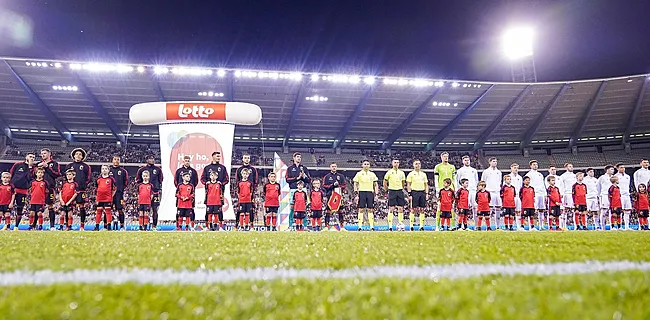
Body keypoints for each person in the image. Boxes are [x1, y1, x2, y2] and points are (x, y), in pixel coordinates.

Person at [65, 148, 91, 231]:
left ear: (82, 156)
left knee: (81, 207)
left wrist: (83, 185)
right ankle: (68, 226)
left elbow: (89, 178)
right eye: (76, 154)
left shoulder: (86, 166)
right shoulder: (69, 166)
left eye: (80, 154)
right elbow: (66, 177)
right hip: (70, 190)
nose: (78, 155)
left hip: (81, 189)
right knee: (68, 207)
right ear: (73, 156)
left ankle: (82, 226)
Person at [136, 155, 163, 230]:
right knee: (143, 211)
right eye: (150, 159)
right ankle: (143, 226)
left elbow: (161, 179)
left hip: (155, 192)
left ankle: (154, 226)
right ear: (147, 160)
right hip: (145, 192)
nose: (152, 160)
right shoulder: (141, 170)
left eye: (153, 159)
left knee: (155, 209)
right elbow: (138, 180)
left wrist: (156, 187)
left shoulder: (158, 169)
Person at [285, 152, 311, 230]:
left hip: (303, 190)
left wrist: (304, 176)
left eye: (300, 157)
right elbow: (287, 179)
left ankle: (305, 226)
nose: (299, 158)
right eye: (297, 157)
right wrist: (297, 178)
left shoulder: (304, 168)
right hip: (293, 190)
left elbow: (309, 180)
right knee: (292, 208)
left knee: (303, 208)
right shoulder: (289, 168)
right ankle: (290, 226)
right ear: (294, 158)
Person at [37, 148, 60, 230]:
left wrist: (47, 167)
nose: (43, 155)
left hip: (50, 187)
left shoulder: (54, 164)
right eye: (42, 153)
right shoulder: (38, 164)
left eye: (45, 153)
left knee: (50, 206)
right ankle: (37, 226)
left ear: (49, 154)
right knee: (38, 206)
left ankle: (52, 226)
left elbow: (57, 174)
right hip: (39, 188)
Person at [10, 152, 35, 229]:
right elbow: (11, 174)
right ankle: (6, 225)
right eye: (30, 156)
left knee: (20, 208)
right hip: (13, 189)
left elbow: (31, 178)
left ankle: (16, 226)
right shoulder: (18, 164)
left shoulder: (34, 168)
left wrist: (30, 167)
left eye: (33, 157)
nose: (32, 158)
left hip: (23, 191)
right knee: (5, 207)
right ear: (26, 157)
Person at [353, 160, 378, 231]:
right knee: (361, 209)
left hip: (370, 192)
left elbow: (375, 185)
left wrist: (376, 194)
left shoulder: (372, 174)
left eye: (368, 164)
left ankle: (372, 226)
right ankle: (360, 226)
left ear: (369, 165)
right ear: (362, 165)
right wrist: (356, 194)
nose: (366, 165)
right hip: (361, 192)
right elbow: (355, 184)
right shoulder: (359, 174)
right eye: (365, 164)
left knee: (371, 209)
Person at [434, 152, 456, 231]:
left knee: (451, 208)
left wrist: (455, 187)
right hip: (441, 189)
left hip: (450, 190)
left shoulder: (452, 167)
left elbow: (454, 178)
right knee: (439, 208)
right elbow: (436, 178)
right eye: (444, 156)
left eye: (447, 156)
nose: (446, 158)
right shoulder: (438, 167)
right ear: (441, 157)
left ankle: (452, 226)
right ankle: (438, 226)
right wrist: (437, 188)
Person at [383, 159, 406, 231]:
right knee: (391, 208)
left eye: (397, 162)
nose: (396, 164)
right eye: (395, 162)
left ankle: (400, 224)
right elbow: (385, 182)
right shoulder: (389, 172)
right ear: (392, 163)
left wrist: (401, 188)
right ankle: (390, 226)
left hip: (399, 191)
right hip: (392, 191)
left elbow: (403, 182)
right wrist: (387, 189)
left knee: (400, 208)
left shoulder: (401, 173)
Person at [322, 163, 346, 231]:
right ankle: (326, 227)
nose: (334, 168)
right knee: (328, 211)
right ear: (330, 167)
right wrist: (332, 185)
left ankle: (342, 227)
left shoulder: (341, 176)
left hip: (338, 195)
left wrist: (338, 186)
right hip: (330, 195)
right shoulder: (327, 177)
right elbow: (324, 186)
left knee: (340, 210)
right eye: (332, 166)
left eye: (335, 166)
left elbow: (344, 185)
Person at [407, 160, 429, 231]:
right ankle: (411, 226)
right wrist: (410, 194)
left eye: (419, 164)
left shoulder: (423, 174)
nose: (418, 165)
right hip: (414, 192)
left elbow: (426, 184)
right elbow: (408, 184)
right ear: (413, 165)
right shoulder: (411, 174)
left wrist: (426, 193)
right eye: (416, 164)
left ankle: (421, 226)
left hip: (422, 192)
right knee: (413, 209)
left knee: (422, 209)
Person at [480, 157, 502, 230]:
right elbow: (482, 182)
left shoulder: (499, 172)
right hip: (489, 192)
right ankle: (488, 226)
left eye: (496, 161)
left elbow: (499, 182)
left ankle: (498, 226)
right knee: (489, 210)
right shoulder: (486, 172)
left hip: (497, 192)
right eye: (493, 161)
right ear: (490, 162)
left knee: (498, 208)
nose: (495, 163)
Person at [457, 156, 479, 224]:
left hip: (473, 190)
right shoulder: (460, 170)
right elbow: (458, 181)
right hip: (464, 192)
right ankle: (462, 225)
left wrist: (477, 190)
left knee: (475, 207)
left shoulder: (474, 170)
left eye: (468, 160)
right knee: (464, 208)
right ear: (463, 161)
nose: (467, 161)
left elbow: (476, 180)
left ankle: (477, 225)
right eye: (465, 160)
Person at [525, 160, 546, 231]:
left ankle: (541, 226)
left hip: (541, 194)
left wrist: (545, 194)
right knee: (533, 210)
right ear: (530, 166)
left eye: (536, 164)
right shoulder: (528, 175)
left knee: (541, 210)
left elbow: (543, 185)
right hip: (534, 194)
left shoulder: (540, 174)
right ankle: (532, 226)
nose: (535, 166)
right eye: (534, 165)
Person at [109, 156, 129, 231]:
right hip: (109, 194)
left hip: (119, 194)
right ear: (112, 161)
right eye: (115, 159)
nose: (116, 161)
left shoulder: (123, 171)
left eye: (118, 159)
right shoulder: (109, 170)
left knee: (120, 209)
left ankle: (122, 226)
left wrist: (120, 189)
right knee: (108, 209)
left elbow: (126, 182)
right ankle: (106, 226)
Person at [95, 165, 116, 231]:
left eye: (105, 169)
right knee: (99, 211)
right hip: (100, 198)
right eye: (103, 169)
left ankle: (109, 227)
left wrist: (111, 196)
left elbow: (114, 189)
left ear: (108, 170)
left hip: (107, 199)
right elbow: (97, 189)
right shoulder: (98, 179)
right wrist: (97, 198)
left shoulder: (111, 179)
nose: (104, 170)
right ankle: (97, 226)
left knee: (108, 212)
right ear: (101, 170)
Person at [614, 163, 633, 230]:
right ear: (617, 168)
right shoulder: (615, 177)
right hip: (620, 195)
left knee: (627, 211)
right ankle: (619, 226)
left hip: (627, 195)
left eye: (624, 167)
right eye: (621, 167)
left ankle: (627, 226)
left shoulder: (627, 176)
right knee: (620, 211)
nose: (623, 169)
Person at [598, 165, 615, 230]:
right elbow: (598, 186)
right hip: (604, 195)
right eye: (611, 169)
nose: (613, 171)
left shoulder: (614, 177)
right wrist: (600, 195)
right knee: (604, 211)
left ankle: (612, 226)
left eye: (613, 169)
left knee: (612, 211)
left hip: (612, 196)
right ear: (607, 170)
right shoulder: (602, 177)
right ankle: (602, 227)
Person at [560, 163, 576, 230]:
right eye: (570, 166)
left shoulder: (575, 176)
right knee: (565, 210)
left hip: (574, 195)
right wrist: (562, 194)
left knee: (575, 210)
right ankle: (563, 226)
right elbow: (561, 186)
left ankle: (576, 226)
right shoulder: (563, 176)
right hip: (566, 194)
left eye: (572, 166)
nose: (571, 167)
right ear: (566, 167)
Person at [509, 163, 523, 229]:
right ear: (511, 168)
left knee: (518, 211)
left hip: (518, 196)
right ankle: (510, 226)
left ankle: (518, 226)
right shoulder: (508, 177)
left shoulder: (520, 177)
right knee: (511, 212)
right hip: (511, 197)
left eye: (517, 168)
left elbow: (521, 187)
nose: (516, 169)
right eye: (514, 168)